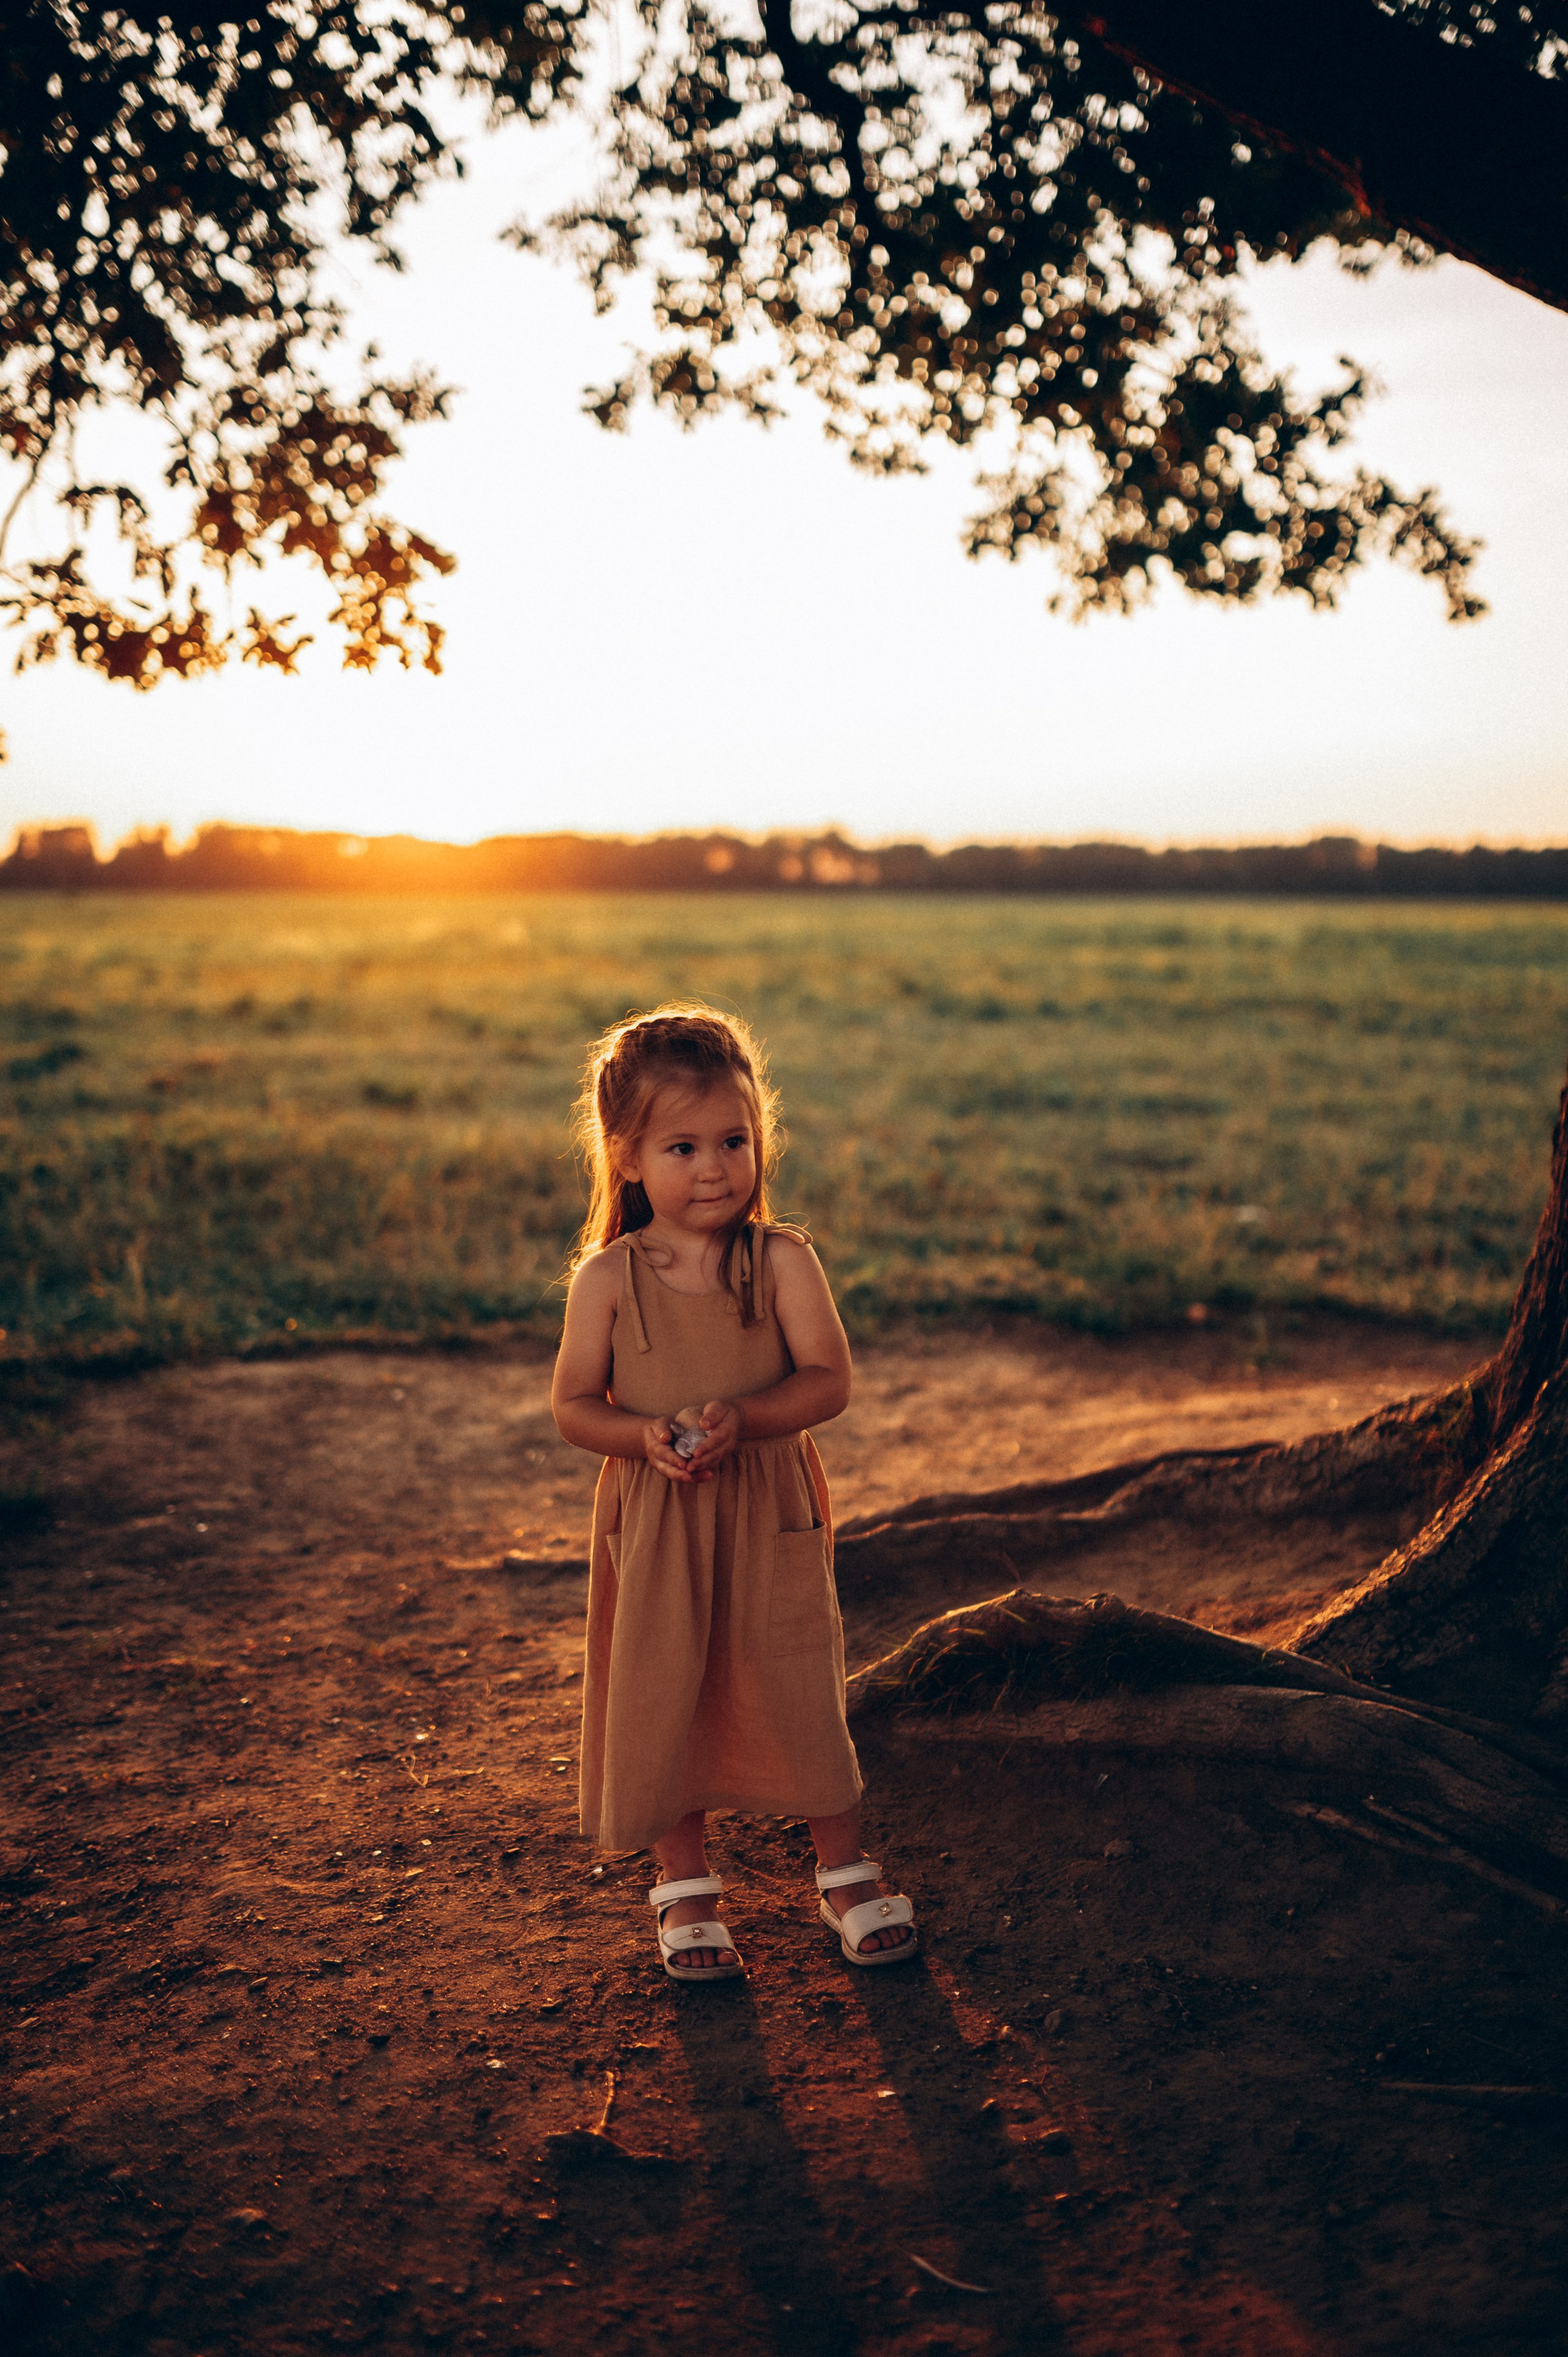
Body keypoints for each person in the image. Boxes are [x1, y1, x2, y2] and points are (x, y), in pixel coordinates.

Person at [551, 1004, 918, 1982]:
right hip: (658, 1516)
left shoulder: (781, 1259)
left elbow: (828, 1382)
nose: (714, 1168)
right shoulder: (607, 1280)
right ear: (626, 1158)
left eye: (733, 1141)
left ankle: (843, 1873)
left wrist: (746, 1418)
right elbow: (574, 1407)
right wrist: (641, 1437)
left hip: (767, 1510)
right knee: (662, 1687)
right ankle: (686, 1888)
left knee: (796, 1682)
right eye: (683, 1147)